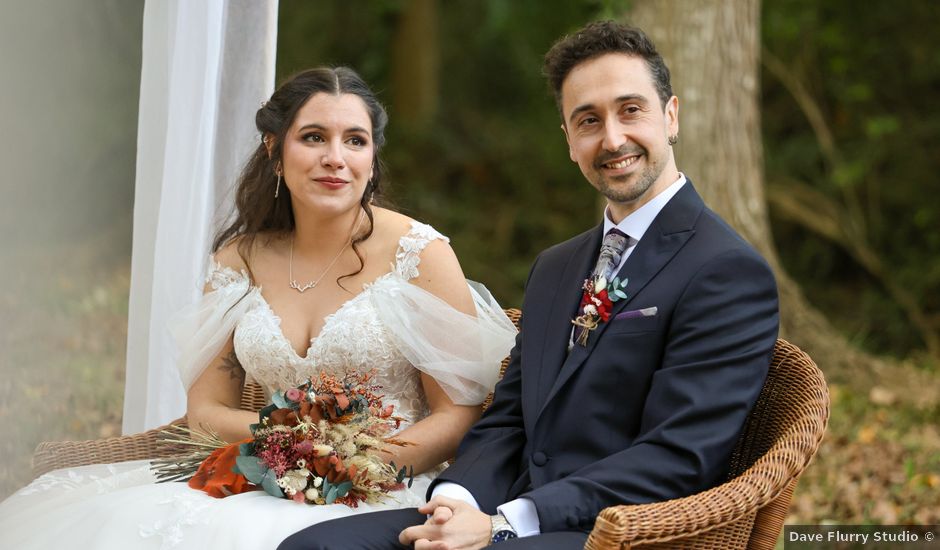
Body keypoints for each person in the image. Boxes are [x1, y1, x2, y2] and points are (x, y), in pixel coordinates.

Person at [278, 20, 780, 550]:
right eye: (588, 120)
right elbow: (509, 417)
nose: (612, 138)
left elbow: (679, 455)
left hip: (620, 532)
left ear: (670, 115)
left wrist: (508, 521)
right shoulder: (556, 266)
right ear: (569, 140)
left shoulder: (725, 270)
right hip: (504, 510)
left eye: (631, 110)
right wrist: (459, 501)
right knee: (313, 547)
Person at [0, 66, 517, 550]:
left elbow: (459, 412)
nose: (335, 157)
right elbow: (205, 412)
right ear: (275, 149)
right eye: (314, 137)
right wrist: (288, 449)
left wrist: (365, 462)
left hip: (387, 484)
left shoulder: (418, 254)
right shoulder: (238, 260)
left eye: (354, 141)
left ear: (371, 160)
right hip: (262, 474)